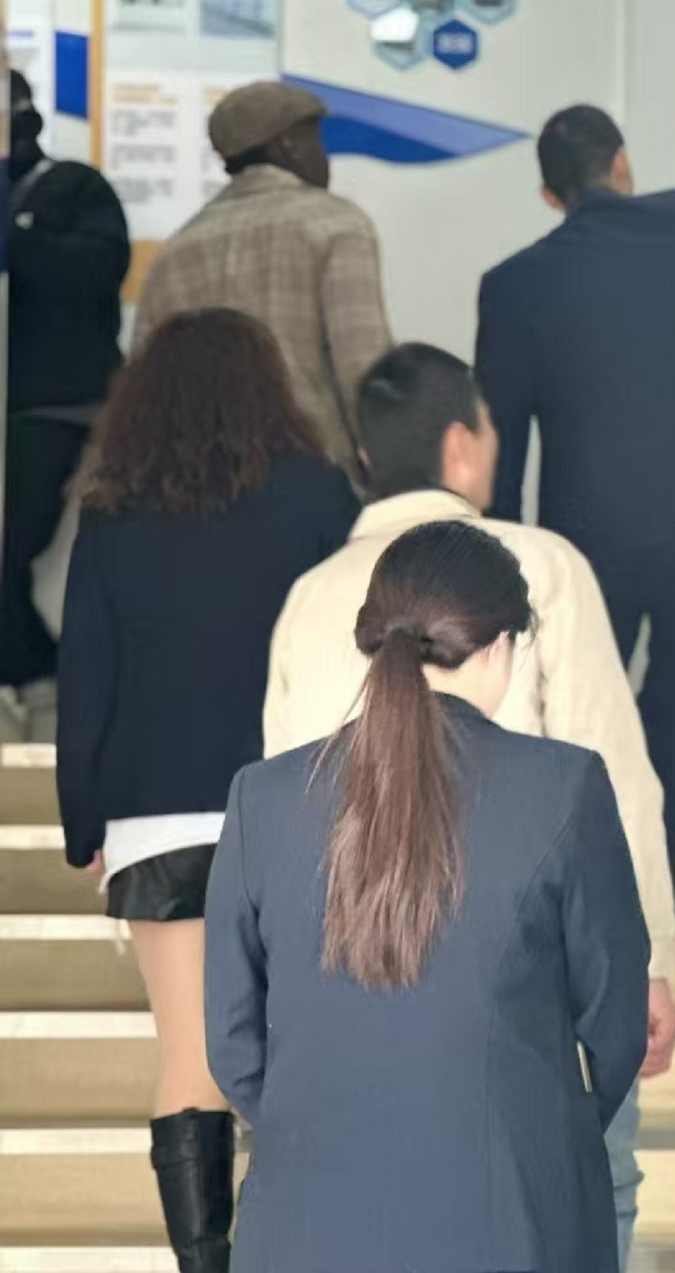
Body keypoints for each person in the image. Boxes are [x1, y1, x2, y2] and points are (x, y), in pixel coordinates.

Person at [264, 342, 675, 1271]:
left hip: (357, 979)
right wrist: (647, 961)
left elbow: (285, 816)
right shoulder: (542, 565)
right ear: (462, 445)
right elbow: (613, 775)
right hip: (531, 987)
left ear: (367, 458)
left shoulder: (308, 597)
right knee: (597, 1184)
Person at [207, 520, 651, 1273]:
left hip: (306, 1223)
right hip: (511, 1220)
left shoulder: (264, 797)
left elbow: (232, 1040)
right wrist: (538, 1130)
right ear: (500, 644)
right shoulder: (565, 787)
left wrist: (323, 1131)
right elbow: (616, 1024)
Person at [56, 308, 360, 1273]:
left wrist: (83, 825)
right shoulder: (317, 495)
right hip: (298, 810)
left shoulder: (112, 513)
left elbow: (87, 680)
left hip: (156, 823)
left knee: (190, 1061)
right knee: (307, 1058)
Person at [476, 100, 675, 914]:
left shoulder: (513, 286)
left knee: (582, 701)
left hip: (588, 534)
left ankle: (579, 877)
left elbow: (502, 437)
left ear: (550, 196)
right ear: (621, 163)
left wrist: (500, 556)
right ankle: (665, 866)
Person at [133, 79, 392, 481]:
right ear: (289, 145)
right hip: (318, 476)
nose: (323, 156)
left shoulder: (175, 252)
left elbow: (146, 390)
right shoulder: (335, 224)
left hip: (205, 485)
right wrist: (395, 476)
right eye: (315, 139)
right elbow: (362, 367)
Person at [0, 69, 130, 739]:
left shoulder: (73, 187)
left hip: (52, 411)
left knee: (20, 554)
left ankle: (44, 685)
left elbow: (96, 274)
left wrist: (19, 233)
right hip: (29, 410)